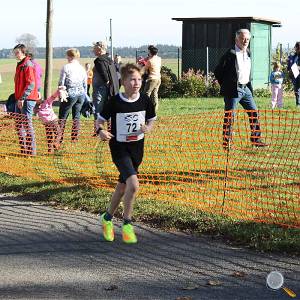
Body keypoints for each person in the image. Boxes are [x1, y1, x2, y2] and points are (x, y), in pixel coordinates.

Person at [96, 63, 156, 243]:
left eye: (139, 79)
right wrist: (101, 132)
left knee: (123, 187)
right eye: (132, 80)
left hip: (137, 148)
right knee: (134, 185)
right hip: (119, 148)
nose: (137, 83)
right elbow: (100, 120)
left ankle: (106, 218)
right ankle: (127, 223)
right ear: (123, 82)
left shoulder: (145, 99)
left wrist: (148, 128)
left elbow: (152, 119)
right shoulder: (115, 101)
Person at [214, 29, 268, 149]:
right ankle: (227, 143)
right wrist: (227, 84)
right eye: (243, 39)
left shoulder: (248, 52)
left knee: (254, 112)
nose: (245, 41)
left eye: (247, 39)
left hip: (245, 88)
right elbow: (218, 72)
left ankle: (256, 139)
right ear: (236, 39)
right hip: (233, 90)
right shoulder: (230, 54)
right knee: (230, 116)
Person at [13, 44, 39, 156]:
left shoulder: (27, 64)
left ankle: (31, 151)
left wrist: (23, 98)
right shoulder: (20, 65)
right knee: (18, 125)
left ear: (23, 52)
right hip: (19, 98)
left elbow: (31, 83)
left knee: (27, 124)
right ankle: (23, 150)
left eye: (17, 52)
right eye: (15, 52)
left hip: (27, 99)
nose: (15, 55)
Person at [58, 48, 87, 143]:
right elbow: (85, 84)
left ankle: (59, 137)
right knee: (76, 116)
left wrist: (61, 92)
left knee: (63, 115)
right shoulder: (82, 68)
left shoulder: (66, 67)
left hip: (69, 94)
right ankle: (74, 138)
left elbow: (61, 82)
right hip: (81, 94)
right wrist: (84, 95)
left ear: (69, 56)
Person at [35, 87, 68, 153]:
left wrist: (58, 91)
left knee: (49, 135)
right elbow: (53, 97)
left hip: (46, 123)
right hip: (53, 120)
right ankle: (56, 143)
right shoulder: (46, 102)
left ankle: (49, 149)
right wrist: (58, 91)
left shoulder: (35, 108)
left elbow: (53, 96)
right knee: (59, 133)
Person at [92, 41, 119, 121]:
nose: (93, 50)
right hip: (111, 89)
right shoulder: (109, 60)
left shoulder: (99, 60)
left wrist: (106, 82)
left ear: (99, 49)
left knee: (98, 110)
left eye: (94, 49)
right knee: (108, 110)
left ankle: (98, 130)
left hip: (100, 89)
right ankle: (110, 129)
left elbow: (105, 77)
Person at [143, 45, 161, 112]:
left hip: (152, 79)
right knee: (154, 95)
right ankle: (154, 111)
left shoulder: (150, 61)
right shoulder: (159, 59)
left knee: (146, 94)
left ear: (150, 52)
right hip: (158, 78)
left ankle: (145, 109)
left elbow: (144, 69)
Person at [287, 42, 300, 107]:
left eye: (297, 48)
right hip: (296, 75)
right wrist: (290, 71)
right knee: (296, 90)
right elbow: (290, 66)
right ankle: (298, 104)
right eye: (296, 48)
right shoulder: (293, 56)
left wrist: (298, 67)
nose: (296, 50)